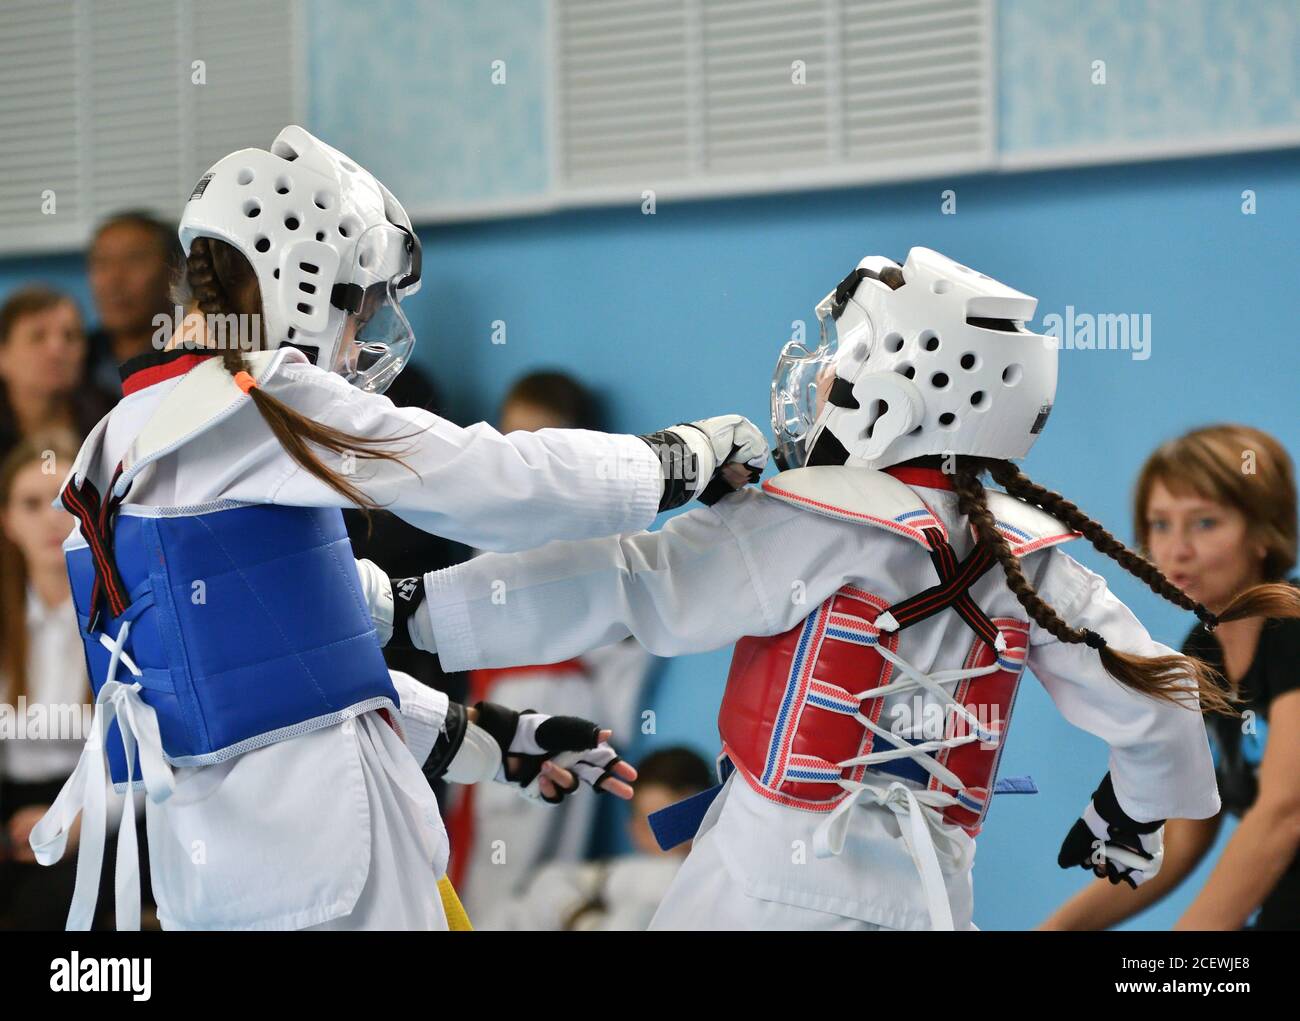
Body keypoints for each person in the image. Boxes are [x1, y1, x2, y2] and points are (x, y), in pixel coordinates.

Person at [380, 248, 1300, 930]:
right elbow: (1163, 703)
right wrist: (1131, 810)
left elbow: (630, 583)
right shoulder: (1037, 554)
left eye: (845, 358)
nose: (823, 377)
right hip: (931, 896)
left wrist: (424, 613)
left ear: (901, 392)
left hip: (768, 880)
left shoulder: (819, 518)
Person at [26, 125, 767, 931]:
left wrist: (489, 736)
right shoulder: (262, 399)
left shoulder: (113, 445)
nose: (359, 339)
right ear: (305, 280)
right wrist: (675, 459)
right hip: (334, 864)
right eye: (364, 304)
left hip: (211, 876)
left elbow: (279, 669)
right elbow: (494, 480)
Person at [1043, 424, 1300, 930]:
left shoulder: (1293, 629)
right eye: (1160, 525)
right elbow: (1186, 834)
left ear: (1263, 532)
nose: (1177, 549)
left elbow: (1285, 813)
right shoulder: (1200, 652)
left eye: (1205, 523)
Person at [445, 371, 653, 921]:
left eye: (538, 441)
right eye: (510, 438)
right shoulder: (487, 515)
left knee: (518, 870)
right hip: (489, 699)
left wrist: (606, 723)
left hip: (551, 699)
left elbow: (630, 632)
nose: (520, 456)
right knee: (470, 854)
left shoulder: (598, 526)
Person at [0, 431, 148, 929]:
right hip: (12, 800)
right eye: (31, 504)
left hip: (103, 805)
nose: (51, 519)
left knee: (44, 908)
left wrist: (81, 819)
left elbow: (152, 750)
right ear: (7, 521)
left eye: (65, 500)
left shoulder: (128, 614)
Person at [476, 747, 712, 931]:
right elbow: (549, 881)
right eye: (656, 827)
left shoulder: (712, 882)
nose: (670, 841)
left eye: (679, 825)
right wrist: (581, 916)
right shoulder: (620, 875)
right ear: (635, 831)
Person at [0, 287, 116, 458]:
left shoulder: (111, 419)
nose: (57, 350)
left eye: (70, 336)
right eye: (37, 337)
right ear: (3, 355)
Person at [85, 211, 184, 394]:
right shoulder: (79, 360)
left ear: (173, 272)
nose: (114, 279)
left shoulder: (201, 353)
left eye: (134, 261)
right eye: (102, 263)